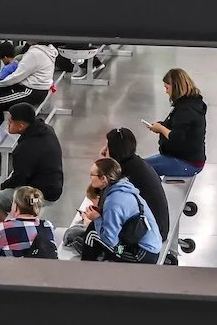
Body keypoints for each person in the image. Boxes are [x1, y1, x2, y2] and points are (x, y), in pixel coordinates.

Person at [63, 158, 163, 264]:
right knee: (94, 229)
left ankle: (87, 270)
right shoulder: (124, 188)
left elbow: (110, 240)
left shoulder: (113, 202)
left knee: (92, 234)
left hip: (142, 254)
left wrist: (96, 219)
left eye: (92, 175)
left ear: (104, 179)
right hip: (147, 244)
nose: (90, 178)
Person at [0, 97, 63, 224]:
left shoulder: (25, 148)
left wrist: (1, 187)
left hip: (39, 196)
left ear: (20, 126)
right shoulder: (47, 130)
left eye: (10, 122)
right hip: (54, 188)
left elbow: (19, 178)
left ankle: (13, 233)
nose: (7, 123)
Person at [144, 67, 207, 208]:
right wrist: (160, 126)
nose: (166, 91)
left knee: (142, 171)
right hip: (185, 157)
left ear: (176, 87)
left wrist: (161, 129)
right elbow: (178, 128)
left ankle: (153, 203)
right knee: (141, 165)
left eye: (167, 87)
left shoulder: (186, 110)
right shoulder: (191, 104)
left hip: (187, 163)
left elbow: (176, 138)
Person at [103, 127, 170, 241]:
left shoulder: (125, 174)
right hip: (158, 227)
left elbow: (110, 204)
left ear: (115, 150)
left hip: (151, 233)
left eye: (107, 147)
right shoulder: (136, 163)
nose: (103, 151)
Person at [0, 184, 57, 258]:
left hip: (12, 269)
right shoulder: (47, 225)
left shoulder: (1, 229)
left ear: (16, 207)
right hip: (41, 268)